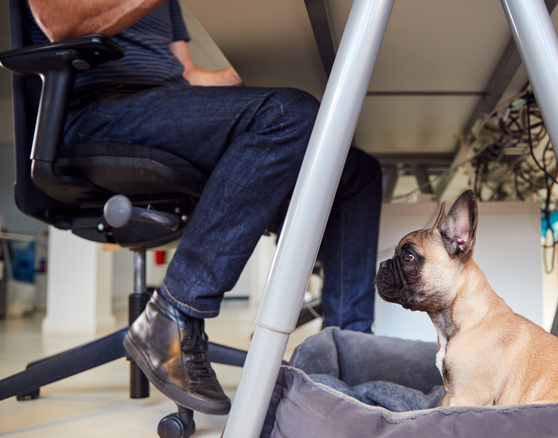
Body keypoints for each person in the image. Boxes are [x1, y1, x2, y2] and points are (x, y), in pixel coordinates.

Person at [25, 0, 382, 416]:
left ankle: (345, 354)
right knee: (290, 114)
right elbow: (56, 22)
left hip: (169, 107)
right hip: (97, 111)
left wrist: (261, 73)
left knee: (356, 172)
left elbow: (188, 74)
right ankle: (175, 310)